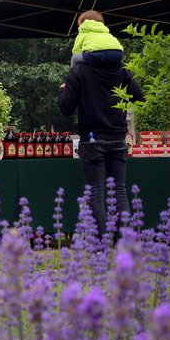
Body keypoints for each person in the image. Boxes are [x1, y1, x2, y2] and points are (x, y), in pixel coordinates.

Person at [58, 46, 144, 239]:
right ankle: (124, 241)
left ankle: (101, 244)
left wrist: (62, 90)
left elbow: (66, 108)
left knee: (96, 191)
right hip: (118, 137)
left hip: (92, 139)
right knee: (119, 190)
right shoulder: (122, 70)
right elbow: (139, 99)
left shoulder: (78, 70)